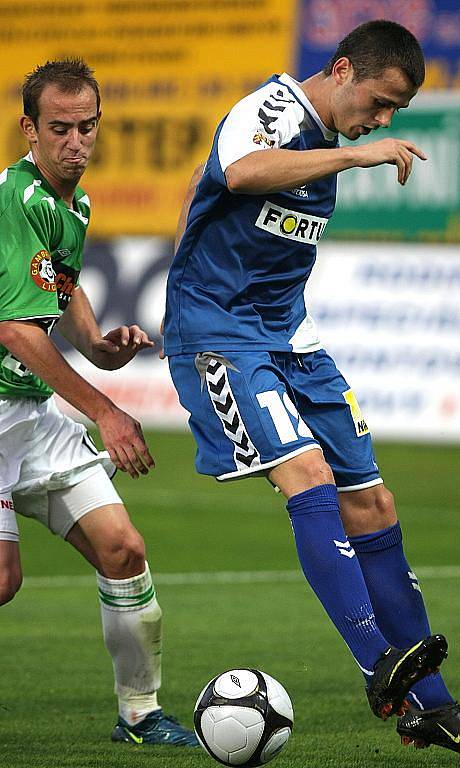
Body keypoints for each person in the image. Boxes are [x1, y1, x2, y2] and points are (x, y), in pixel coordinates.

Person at [163, 20, 460, 763]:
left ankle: (431, 709)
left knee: (375, 502)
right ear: (343, 69)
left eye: (393, 116)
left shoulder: (333, 136)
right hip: (220, 332)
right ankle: (380, 667)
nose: (382, 122)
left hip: (292, 336)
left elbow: (206, 189)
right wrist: (354, 151)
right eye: (378, 104)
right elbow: (242, 171)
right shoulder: (275, 109)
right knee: (306, 475)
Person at [0, 59, 197, 747]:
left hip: (29, 415)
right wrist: (107, 409)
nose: (76, 143)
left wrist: (99, 345)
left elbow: (59, 291)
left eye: (88, 127)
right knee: (3, 579)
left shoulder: (74, 205)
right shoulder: (16, 199)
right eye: (59, 129)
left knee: (123, 550)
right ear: (29, 129)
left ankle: (140, 716)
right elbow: (17, 331)